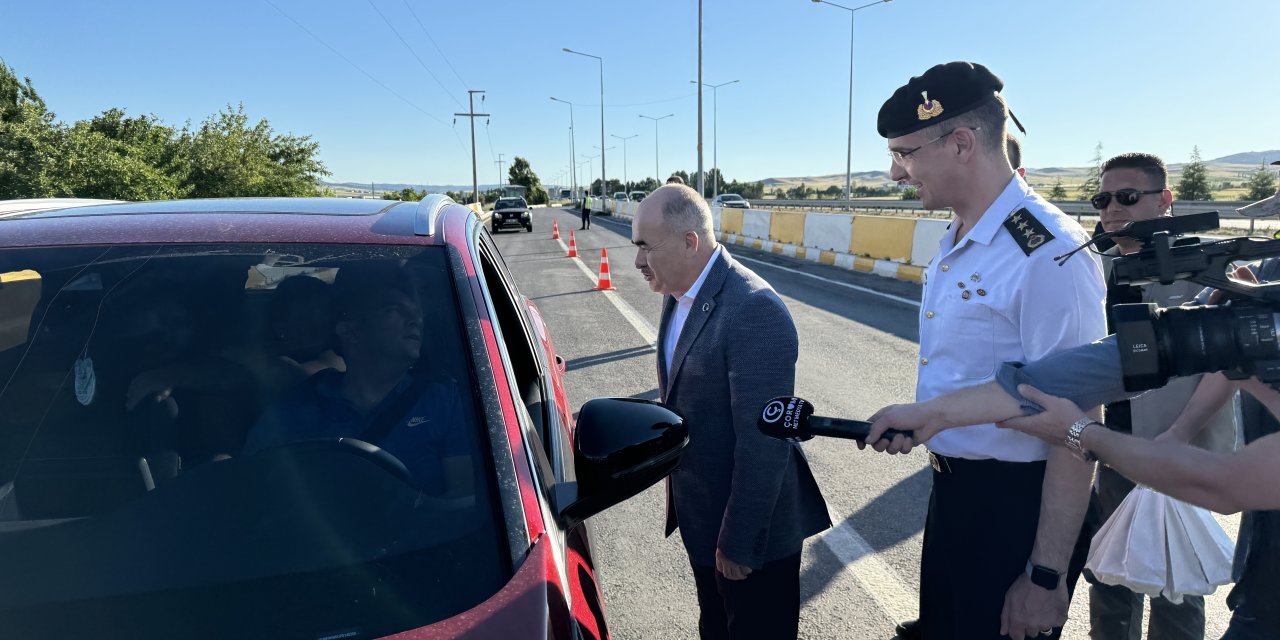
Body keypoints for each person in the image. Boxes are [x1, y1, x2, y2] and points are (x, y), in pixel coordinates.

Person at [873, 61, 1107, 640]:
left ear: (959, 143)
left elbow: (1077, 423)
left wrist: (1046, 576)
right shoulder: (960, 235)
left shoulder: (1048, 252)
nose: (895, 172)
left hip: (1013, 509)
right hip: (953, 494)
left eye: (904, 153)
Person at [630, 184, 829, 640]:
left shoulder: (753, 310)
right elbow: (685, 396)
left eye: (645, 247)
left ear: (689, 242)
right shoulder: (679, 290)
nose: (638, 262)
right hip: (703, 519)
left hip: (750, 537)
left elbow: (764, 443)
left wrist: (739, 541)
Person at [1077, 152, 1237, 640]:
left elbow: (1225, 368)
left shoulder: (1202, 268)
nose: (1112, 209)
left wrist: (1177, 437)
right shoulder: (1092, 267)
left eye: (1128, 197)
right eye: (1102, 198)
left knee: (1175, 583)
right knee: (1109, 574)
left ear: (1165, 200)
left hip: (1176, 449)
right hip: (1110, 446)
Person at [243, 264, 469, 497]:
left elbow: (463, 501)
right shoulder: (296, 406)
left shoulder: (444, 401)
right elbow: (250, 488)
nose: (415, 320)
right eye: (395, 309)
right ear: (351, 332)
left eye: (416, 310)